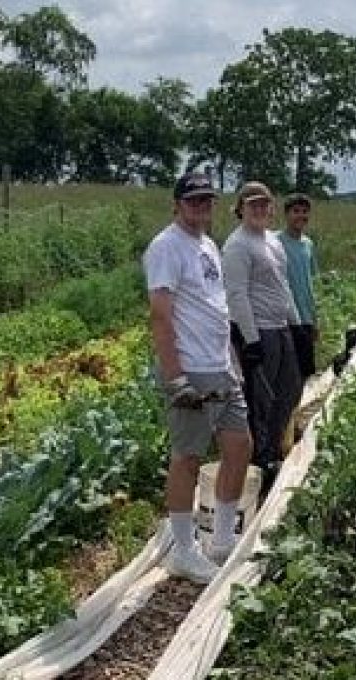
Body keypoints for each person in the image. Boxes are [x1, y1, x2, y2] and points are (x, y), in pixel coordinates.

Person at [143, 172, 252, 583]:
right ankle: (184, 551)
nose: (201, 207)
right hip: (191, 369)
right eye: (193, 201)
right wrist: (176, 378)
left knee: (240, 446)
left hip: (221, 366)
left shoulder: (207, 244)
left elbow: (216, 308)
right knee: (188, 457)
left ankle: (222, 541)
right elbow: (161, 314)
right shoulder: (166, 247)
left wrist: (232, 360)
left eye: (206, 200)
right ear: (177, 205)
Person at [222, 181, 303, 500]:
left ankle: (272, 449)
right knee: (261, 399)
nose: (258, 209)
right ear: (240, 209)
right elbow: (237, 294)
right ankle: (258, 461)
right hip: (259, 332)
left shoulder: (272, 241)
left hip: (281, 327)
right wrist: (251, 340)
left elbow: (283, 286)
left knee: (290, 389)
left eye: (263, 204)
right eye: (251, 204)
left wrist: (297, 325)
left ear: (271, 208)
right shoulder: (237, 245)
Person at [279, 193, 319, 382]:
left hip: (305, 316)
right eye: (296, 211)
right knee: (286, 373)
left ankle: (298, 409)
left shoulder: (308, 244)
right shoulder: (275, 242)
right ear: (286, 214)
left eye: (304, 212)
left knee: (305, 371)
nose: (301, 216)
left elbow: (311, 283)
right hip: (285, 317)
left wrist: (314, 318)